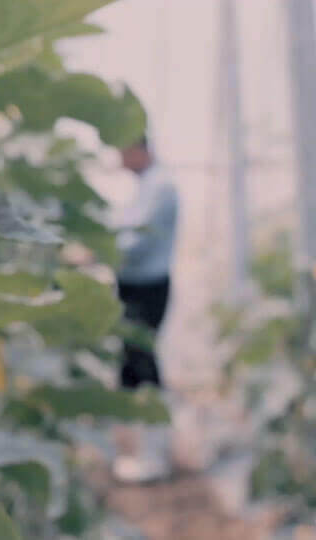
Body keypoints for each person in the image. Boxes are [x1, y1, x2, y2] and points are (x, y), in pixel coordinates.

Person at [109, 134, 179, 482]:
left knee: (143, 362)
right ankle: (139, 451)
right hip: (133, 285)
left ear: (139, 150)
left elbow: (138, 241)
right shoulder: (145, 186)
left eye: (123, 152)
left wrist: (98, 252)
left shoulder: (160, 187)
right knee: (133, 365)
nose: (120, 161)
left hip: (147, 288)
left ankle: (154, 454)